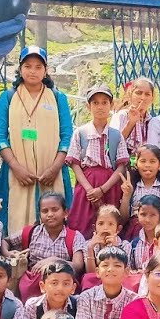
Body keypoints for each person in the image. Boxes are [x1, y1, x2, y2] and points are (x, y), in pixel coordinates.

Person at [0, 45, 73, 233]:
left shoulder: (57, 98)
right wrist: (16, 167)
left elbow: (67, 136)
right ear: (20, 69)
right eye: (28, 66)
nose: (33, 71)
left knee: (55, 219)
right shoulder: (8, 97)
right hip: (16, 172)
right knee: (13, 226)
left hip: (52, 171)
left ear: (46, 70)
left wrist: (55, 168)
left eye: (38, 67)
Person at [67, 84, 130, 236]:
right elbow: (75, 164)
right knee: (83, 224)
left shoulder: (116, 135)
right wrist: (90, 190)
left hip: (110, 185)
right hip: (86, 185)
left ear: (111, 105)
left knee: (108, 222)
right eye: (95, 103)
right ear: (88, 106)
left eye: (104, 102)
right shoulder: (81, 133)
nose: (100, 107)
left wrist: (103, 189)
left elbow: (121, 166)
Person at [110, 77, 154, 156]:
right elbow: (113, 144)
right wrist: (131, 123)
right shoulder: (121, 116)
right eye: (138, 93)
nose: (143, 98)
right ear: (130, 95)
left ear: (152, 98)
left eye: (147, 94)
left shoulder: (152, 121)